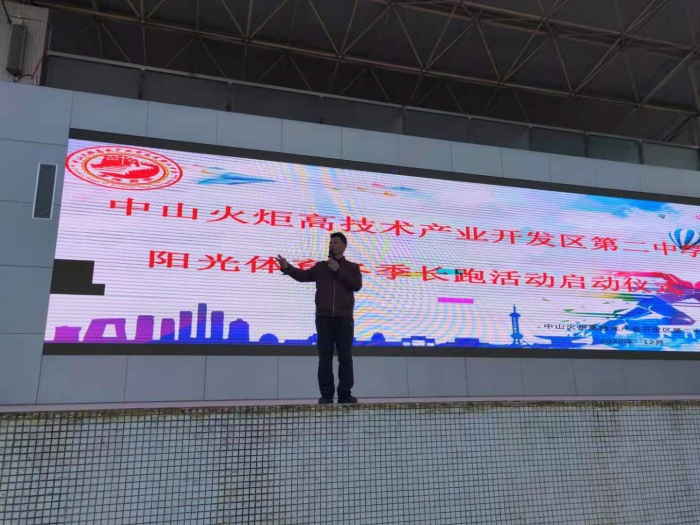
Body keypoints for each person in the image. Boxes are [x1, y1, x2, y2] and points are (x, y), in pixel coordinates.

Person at [275, 232, 362, 404]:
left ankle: (345, 394)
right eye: (331, 242)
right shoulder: (321, 267)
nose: (332, 245)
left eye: (336, 242)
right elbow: (303, 276)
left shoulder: (352, 267)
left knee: (345, 357)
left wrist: (339, 270)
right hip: (324, 318)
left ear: (344, 246)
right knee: (325, 358)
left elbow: (356, 285)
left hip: (344, 318)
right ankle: (326, 394)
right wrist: (287, 268)